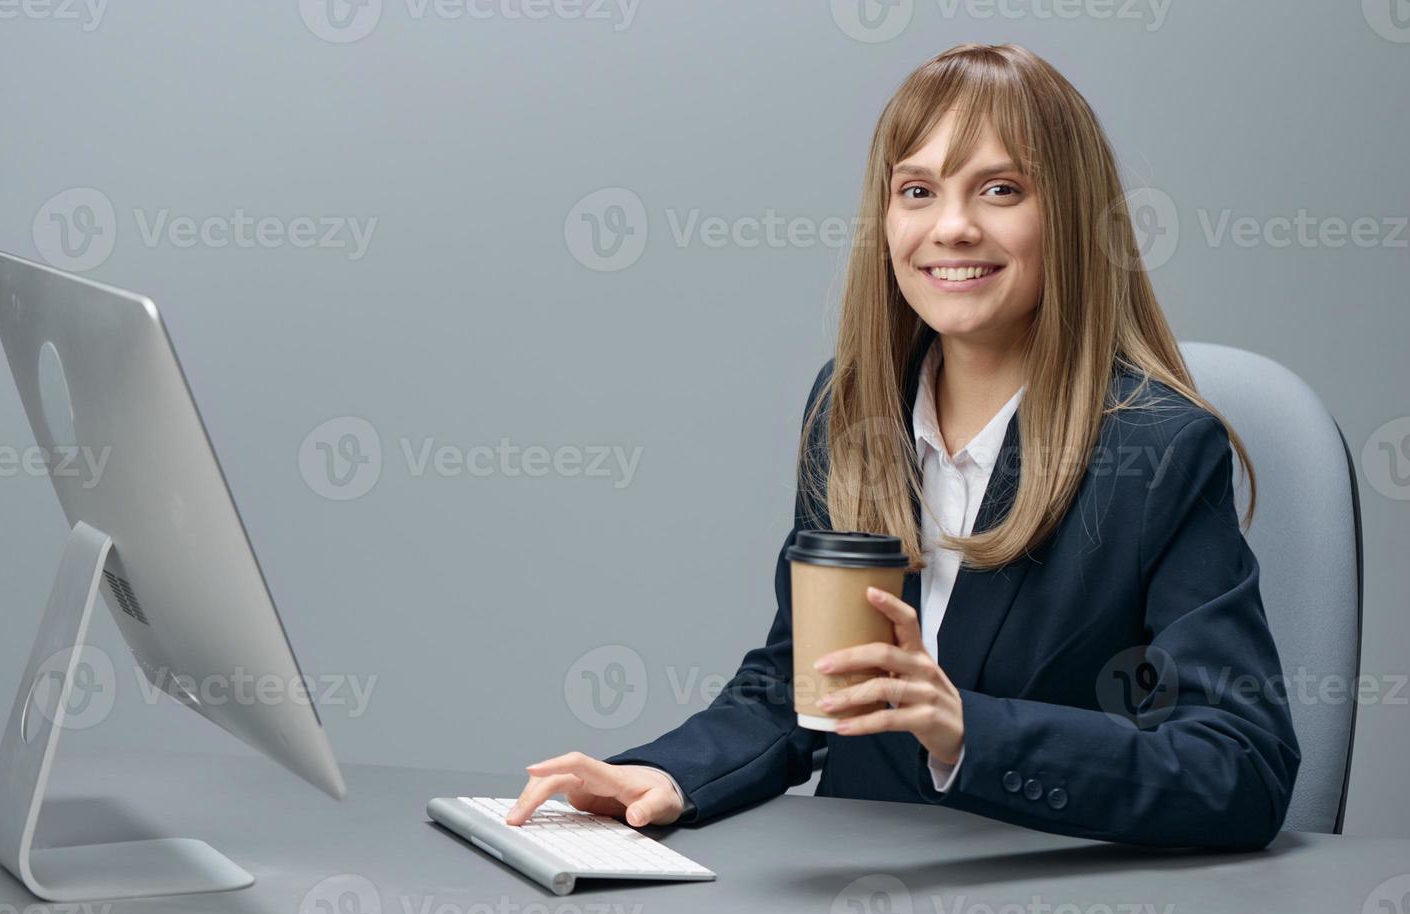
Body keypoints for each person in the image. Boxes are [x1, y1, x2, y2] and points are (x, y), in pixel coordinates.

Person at [507, 42, 1299, 850]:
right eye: (917, 190)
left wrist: (966, 732)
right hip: (852, 904)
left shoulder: (1159, 448)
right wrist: (668, 774)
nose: (951, 227)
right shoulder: (852, 409)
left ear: (1070, 216)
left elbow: (1241, 767)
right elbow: (804, 680)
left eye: (1000, 189)